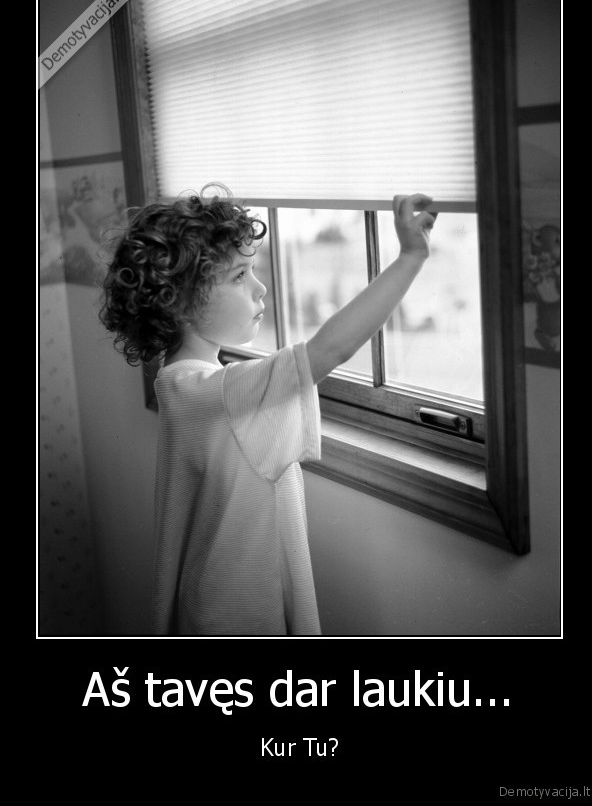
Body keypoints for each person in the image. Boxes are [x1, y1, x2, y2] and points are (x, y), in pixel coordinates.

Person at [100, 189, 435, 636]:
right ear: (179, 302)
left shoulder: (181, 380)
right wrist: (410, 257)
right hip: (234, 614)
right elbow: (329, 350)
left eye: (253, 270)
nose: (259, 288)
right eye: (239, 275)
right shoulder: (213, 392)